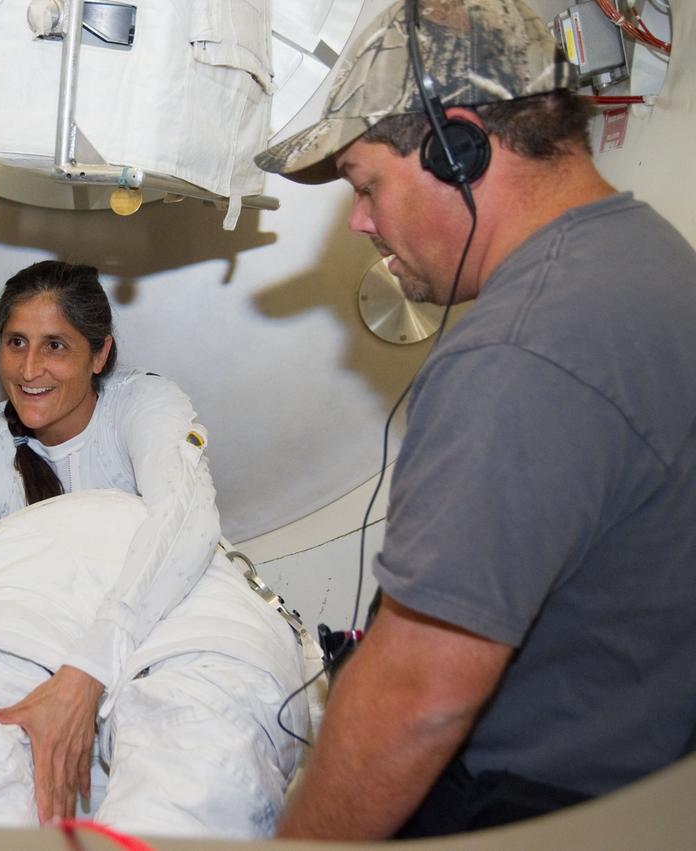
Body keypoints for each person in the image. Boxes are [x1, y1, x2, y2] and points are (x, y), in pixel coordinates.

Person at [256, 0, 696, 838]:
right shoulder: (651, 260)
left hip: (529, 805)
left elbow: (416, 701)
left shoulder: (517, 354)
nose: (358, 219)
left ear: (455, 147)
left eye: (364, 182)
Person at [0, 260, 321, 837]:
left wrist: (86, 674)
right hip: (17, 628)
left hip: (168, 620)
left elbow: (184, 520)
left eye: (55, 346)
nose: (31, 369)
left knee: (202, 746)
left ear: (100, 354)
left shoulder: (143, 406)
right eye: (16, 343)